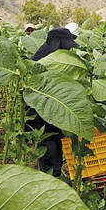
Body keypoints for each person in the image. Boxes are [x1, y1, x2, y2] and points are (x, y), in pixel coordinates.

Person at [29, 27, 79, 176]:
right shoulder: (45, 59)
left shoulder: (48, 54)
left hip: (49, 112)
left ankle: (53, 175)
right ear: (58, 43)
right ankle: (51, 179)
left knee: (54, 144)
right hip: (40, 115)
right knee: (49, 150)